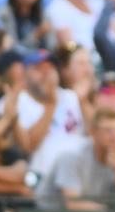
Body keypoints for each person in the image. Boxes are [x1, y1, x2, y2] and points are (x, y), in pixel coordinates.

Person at [36, 107, 115, 212]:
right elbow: (73, 204)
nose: (114, 136)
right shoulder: (72, 156)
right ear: (93, 131)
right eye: (108, 130)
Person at [13, 50, 86, 178]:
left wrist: (84, 100)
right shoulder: (18, 100)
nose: (46, 73)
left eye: (51, 68)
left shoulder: (70, 96)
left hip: (78, 171)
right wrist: (51, 104)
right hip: (41, 175)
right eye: (39, 68)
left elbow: (90, 134)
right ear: (24, 74)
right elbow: (28, 146)